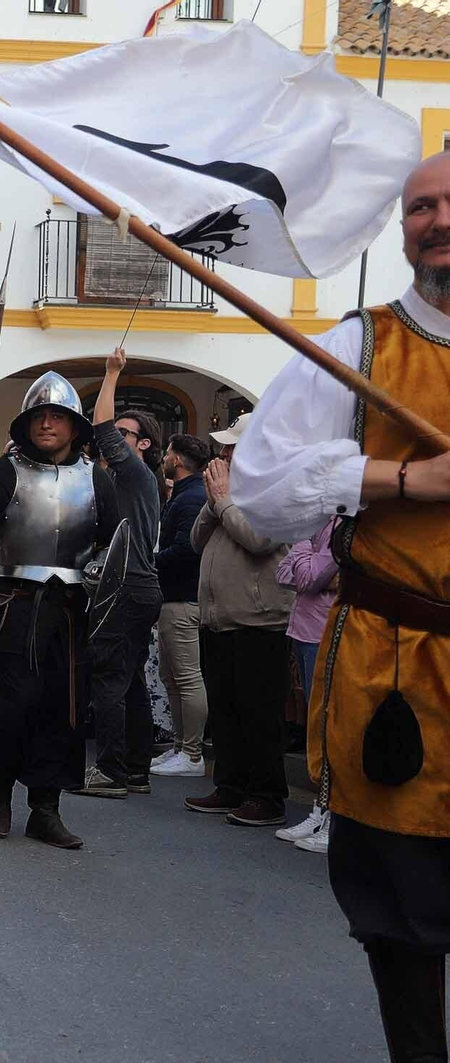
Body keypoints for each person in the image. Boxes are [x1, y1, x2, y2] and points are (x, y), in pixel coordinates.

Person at [233, 152, 450, 1063]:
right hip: (393, 661)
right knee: (403, 901)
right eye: (419, 208)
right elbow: (260, 486)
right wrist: (404, 478)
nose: (437, 220)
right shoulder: (363, 347)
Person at [0, 372, 118, 850]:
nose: (47, 424)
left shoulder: (96, 479)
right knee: (7, 704)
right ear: (26, 423)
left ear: (73, 426)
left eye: (57, 416)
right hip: (12, 606)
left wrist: (101, 567)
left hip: (68, 610)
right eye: (39, 415)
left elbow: (114, 541)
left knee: (60, 710)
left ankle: (46, 808)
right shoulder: (5, 472)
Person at [184, 414, 294, 827]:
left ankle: (267, 796)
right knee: (226, 710)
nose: (223, 453)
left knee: (259, 714)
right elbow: (197, 541)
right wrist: (216, 504)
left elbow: (260, 540)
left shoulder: (277, 489)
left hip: (259, 620)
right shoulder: (225, 491)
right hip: (219, 619)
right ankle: (230, 786)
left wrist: (225, 500)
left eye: (232, 447)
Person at [72, 348, 164, 800]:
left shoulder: (134, 473)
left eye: (129, 435)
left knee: (109, 680)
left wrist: (110, 374)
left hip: (126, 587)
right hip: (139, 586)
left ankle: (110, 771)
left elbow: (101, 427)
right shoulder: (138, 481)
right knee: (130, 682)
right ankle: (136, 770)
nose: (116, 441)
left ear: (143, 443)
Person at [274, 517, 339, 854]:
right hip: (303, 630)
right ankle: (320, 809)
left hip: (322, 632)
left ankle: (333, 817)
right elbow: (285, 574)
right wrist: (307, 554)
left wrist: (303, 552)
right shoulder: (318, 525)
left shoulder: (340, 523)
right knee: (316, 728)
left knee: (327, 727)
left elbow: (310, 577)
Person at [151, 432, 212, 777]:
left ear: (178, 460)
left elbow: (188, 548)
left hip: (184, 599)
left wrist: (152, 560)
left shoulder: (190, 498)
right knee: (171, 677)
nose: (164, 459)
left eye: (168, 454)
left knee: (187, 678)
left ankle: (191, 753)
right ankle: (179, 746)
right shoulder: (187, 495)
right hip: (174, 598)